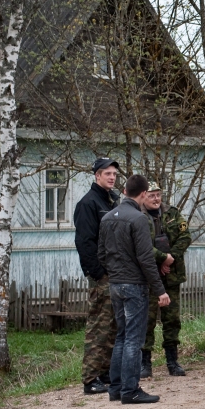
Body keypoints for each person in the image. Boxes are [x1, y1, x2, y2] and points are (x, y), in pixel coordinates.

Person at [97, 174, 170, 404]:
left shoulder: (107, 218)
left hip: (115, 284)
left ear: (125, 191)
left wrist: (115, 274)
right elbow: (146, 259)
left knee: (121, 336)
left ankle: (116, 388)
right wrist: (160, 290)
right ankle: (130, 390)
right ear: (143, 194)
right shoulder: (139, 219)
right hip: (134, 286)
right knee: (133, 339)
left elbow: (101, 254)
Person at [73, 157, 120, 395]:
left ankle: (104, 372)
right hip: (101, 276)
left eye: (114, 174)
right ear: (96, 176)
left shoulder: (112, 201)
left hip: (115, 274)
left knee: (111, 326)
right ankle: (90, 379)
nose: (111, 177)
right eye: (107, 173)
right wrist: (97, 273)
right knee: (98, 327)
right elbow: (84, 243)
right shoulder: (88, 204)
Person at [141, 183, 191, 378]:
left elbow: (185, 236)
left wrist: (170, 257)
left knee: (172, 319)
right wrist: (161, 258)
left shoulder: (172, 213)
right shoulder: (138, 216)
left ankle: (173, 361)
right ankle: (145, 363)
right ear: (144, 196)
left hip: (172, 275)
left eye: (158, 195)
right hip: (149, 277)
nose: (156, 199)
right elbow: (141, 245)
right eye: (152, 195)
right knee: (147, 320)